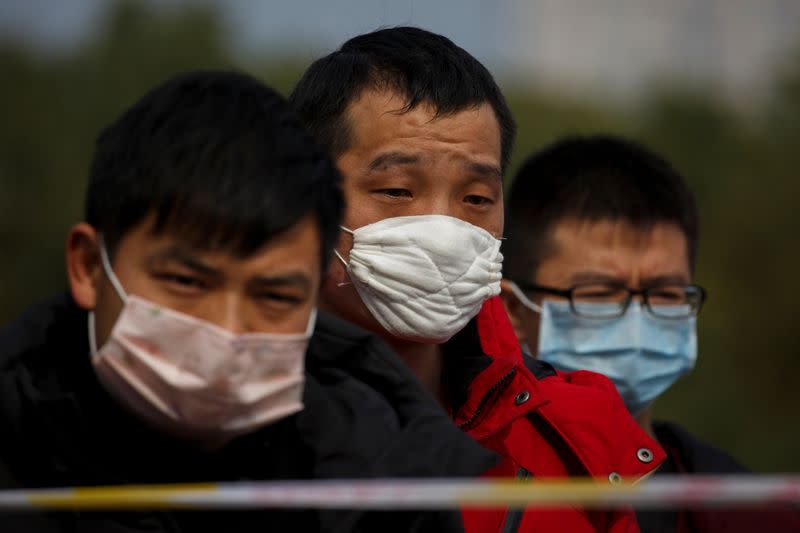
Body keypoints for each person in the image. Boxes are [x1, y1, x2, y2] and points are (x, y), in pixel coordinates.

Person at [0, 70, 498, 533]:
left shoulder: (387, 484)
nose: (229, 328)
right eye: (186, 282)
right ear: (88, 267)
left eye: (275, 295)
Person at [290, 27, 665, 533]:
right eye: (398, 190)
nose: (444, 231)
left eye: (477, 199)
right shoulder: (221, 422)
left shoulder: (573, 437)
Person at [501, 135, 800, 532]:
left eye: (664, 293)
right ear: (514, 310)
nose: (637, 319)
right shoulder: (465, 491)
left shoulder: (748, 511)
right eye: (598, 293)